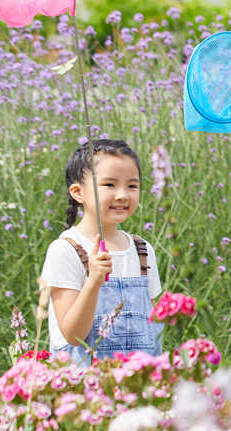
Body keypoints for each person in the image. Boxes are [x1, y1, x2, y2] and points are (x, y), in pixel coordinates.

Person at [41, 139, 163, 361]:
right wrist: (94, 281)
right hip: (85, 386)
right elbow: (73, 335)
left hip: (138, 385)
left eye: (132, 186)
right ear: (78, 192)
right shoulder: (65, 250)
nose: (122, 195)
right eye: (109, 185)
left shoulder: (142, 250)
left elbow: (153, 329)